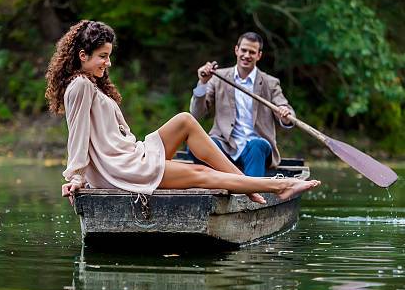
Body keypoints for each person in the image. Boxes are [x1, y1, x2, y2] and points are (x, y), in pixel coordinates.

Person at [45, 20, 320, 204]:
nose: (109, 62)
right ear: (82, 55)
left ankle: (246, 184)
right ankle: (274, 186)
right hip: (121, 168)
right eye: (103, 56)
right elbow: (77, 135)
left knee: (184, 121)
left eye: (108, 55)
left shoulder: (90, 84)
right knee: (199, 171)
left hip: (131, 154)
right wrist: (76, 177)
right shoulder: (79, 86)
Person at [190, 31, 295, 176]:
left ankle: (252, 193)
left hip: (255, 147)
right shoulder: (217, 77)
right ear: (236, 50)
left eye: (252, 52)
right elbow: (196, 114)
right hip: (225, 145)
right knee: (198, 146)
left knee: (257, 145)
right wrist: (202, 83)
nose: (246, 55)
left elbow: (285, 110)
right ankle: (220, 188)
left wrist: (285, 114)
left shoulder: (270, 83)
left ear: (259, 55)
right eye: (243, 50)